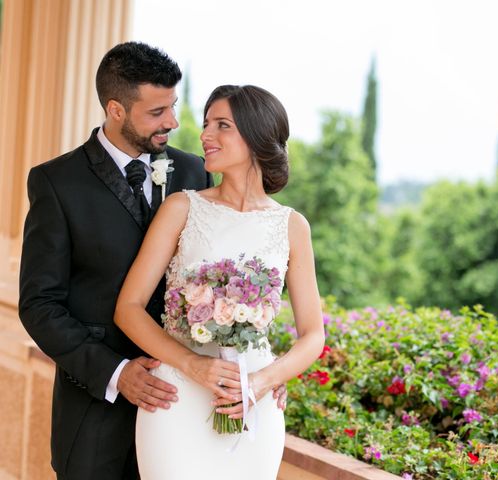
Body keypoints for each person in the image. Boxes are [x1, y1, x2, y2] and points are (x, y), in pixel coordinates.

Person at [19, 42, 286, 480]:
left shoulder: (193, 171)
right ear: (116, 109)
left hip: (191, 403)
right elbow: (39, 304)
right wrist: (116, 372)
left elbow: (237, 274)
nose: (173, 123)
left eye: (174, 106)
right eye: (157, 111)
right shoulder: (56, 183)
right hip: (96, 408)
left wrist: (259, 370)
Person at [114, 84, 325, 479]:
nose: (205, 135)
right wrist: (192, 365)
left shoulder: (292, 226)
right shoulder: (182, 208)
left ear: (257, 135)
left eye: (222, 125)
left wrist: (265, 380)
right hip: (176, 399)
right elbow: (128, 309)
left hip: (253, 405)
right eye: (207, 124)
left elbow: (313, 334)